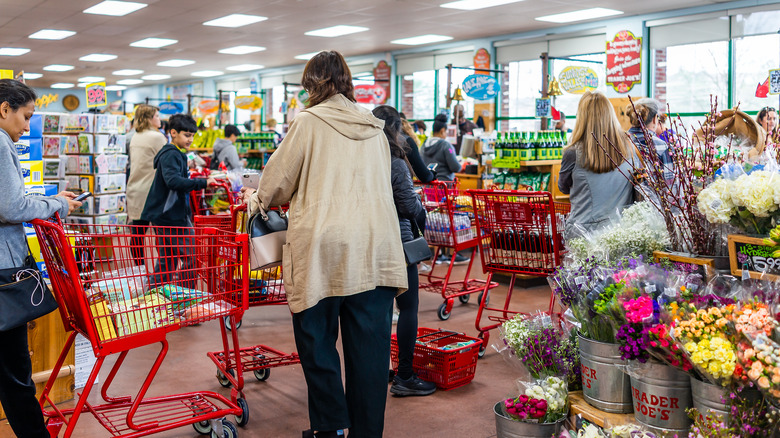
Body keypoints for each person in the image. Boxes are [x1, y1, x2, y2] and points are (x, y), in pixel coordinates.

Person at [242, 50, 407, 438]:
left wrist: (256, 199)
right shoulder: (375, 127)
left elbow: (276, 183)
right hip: (376, 249)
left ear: (311, 85)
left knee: (316, 342)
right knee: (371, 353)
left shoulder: (308, 122)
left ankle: (330, 427)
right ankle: (367, 432)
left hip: (323, 249)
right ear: (347, 82)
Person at [0, 78, 82, 438]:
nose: (27, 127)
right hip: (4, 273)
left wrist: (46, 196)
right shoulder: (1, 143)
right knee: (15, 372)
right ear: (5, 109)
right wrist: (58, 204)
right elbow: (11, 206)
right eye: (26, 117)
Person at [373, 105, 437, 397]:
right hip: (397, 242)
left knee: (379, 309)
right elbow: (409, 206)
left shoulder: (364, 158)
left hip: (369, 240)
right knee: (408, 306)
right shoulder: (395, 162)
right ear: (396, 130)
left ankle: (377, 369)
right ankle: (405, 376)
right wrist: (422, 217)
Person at [141, 114, 217, 287]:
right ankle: (183, 297)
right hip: (172, 216)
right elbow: (173, 181)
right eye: (187, 135)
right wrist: (202, 183)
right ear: (173, 133)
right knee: (192, 258)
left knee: (167, 261)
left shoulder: (173, 154)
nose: (190, 139)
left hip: (164, 215)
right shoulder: (172, 155)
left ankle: (156, 297)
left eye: (192, 135)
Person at [558, 91, 636, 237]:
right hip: (622, 231)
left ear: (581, 118)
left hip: (584, 233)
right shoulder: (629, 147)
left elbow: (563, 187)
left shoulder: (573, 153)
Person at [421, 114, 469, 265]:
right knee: (448, 219)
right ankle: (450, 253)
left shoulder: (424, 145)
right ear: (442, 130)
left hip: (430, 187)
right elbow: (455, 166)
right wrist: (462, 164)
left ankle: (438, 253)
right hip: (446, 187)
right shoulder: (445, 145)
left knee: (435, 219)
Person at [126, 104, 167, 265]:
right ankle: (162, 269)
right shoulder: (157, 137)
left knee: (138, 233)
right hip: (153, 190)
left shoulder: (135, 136)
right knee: (161, 234)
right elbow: (166, 161)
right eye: (157, 116)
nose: (160, 119)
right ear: (150, 119)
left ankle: (139, 269)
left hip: (135, 189)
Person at [626, 98, 673, 182]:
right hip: (649, 194)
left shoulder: (618, 141)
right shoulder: (662, 146)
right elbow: (669, 183)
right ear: (655, 119)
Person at [400, 113, 434, 183]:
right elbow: (424, 175)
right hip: (402, 187)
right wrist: (432, 174)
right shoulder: (407, 141)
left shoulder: (383, 139)